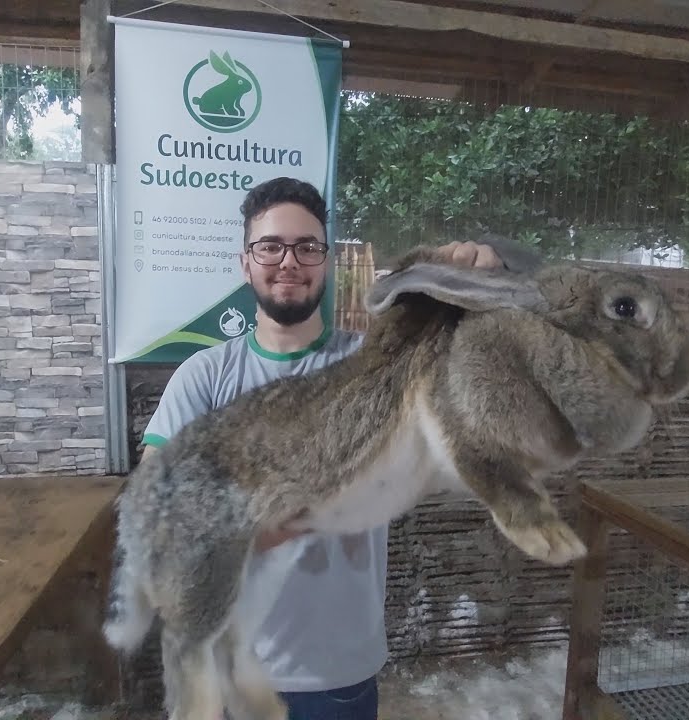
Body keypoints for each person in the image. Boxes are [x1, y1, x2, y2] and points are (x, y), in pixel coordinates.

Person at [138, 176, 502, 720]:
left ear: (326, 262)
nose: (289, 261)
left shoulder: (374, 368)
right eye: (271, 246)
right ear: (246, 263)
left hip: (337, 671)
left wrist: (480, 307)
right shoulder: (204, 378)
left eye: (307, 247)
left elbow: (474, 407)